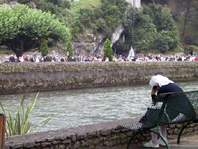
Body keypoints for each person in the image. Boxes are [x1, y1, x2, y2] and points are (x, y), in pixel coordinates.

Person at [143, 75, 184, 148]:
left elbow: (157, 105)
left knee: (154, 114)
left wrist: (152, 94)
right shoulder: (172, 86)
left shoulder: (162, 89)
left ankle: (154, 141)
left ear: (157, 85)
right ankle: (163, 139)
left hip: (174, 115)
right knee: (161, 114)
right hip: (183, 114)